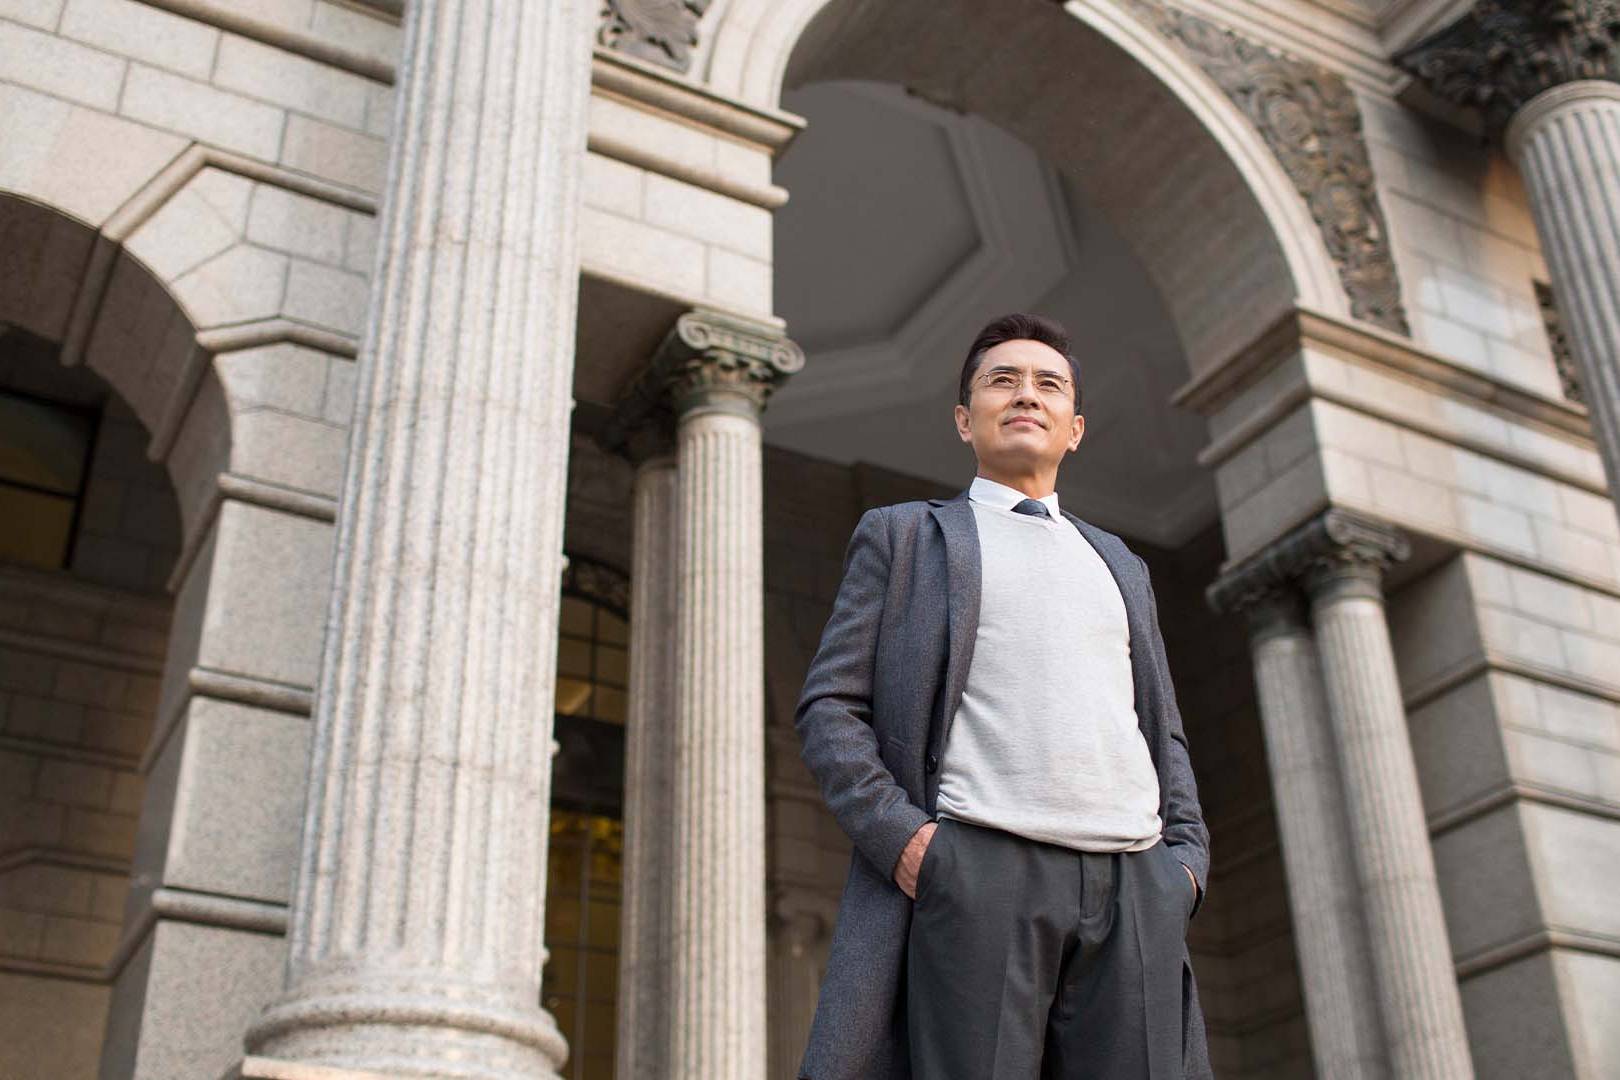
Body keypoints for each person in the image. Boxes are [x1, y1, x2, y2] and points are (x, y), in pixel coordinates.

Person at [793, 312, 1213, 1080]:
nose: (1027, 394)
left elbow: (1161, 729)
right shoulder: (904, 537)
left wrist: (1183, 864)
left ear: (1075, 427)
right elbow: (831, 707)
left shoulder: (1119, 563)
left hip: (1135, 882)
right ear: (965, 418)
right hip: (978, 867)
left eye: (1048, 384)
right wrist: (909, 844)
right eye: (1003, 380)